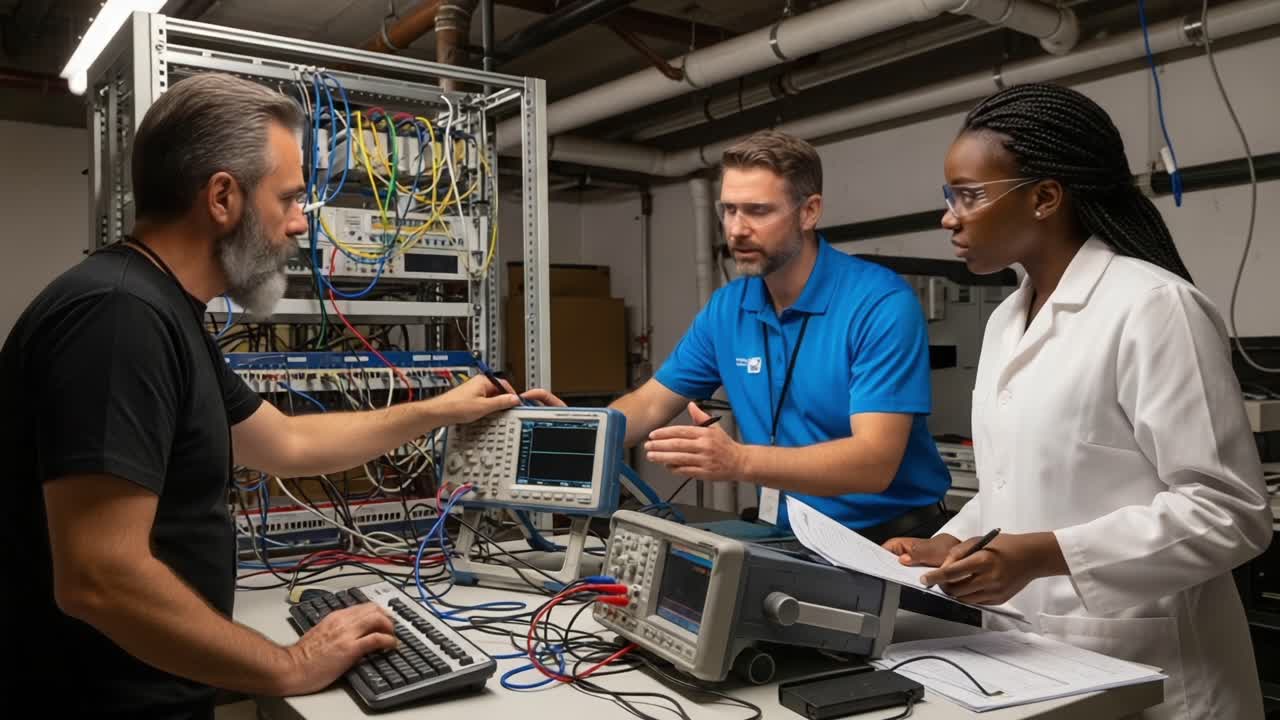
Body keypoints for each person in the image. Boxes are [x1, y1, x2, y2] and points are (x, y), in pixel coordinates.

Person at [0, 72, 552, 719]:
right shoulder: (119, 318)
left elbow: (285, 442)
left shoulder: (163, 311)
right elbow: (99, 576)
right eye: (288, 198)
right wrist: (288, 664)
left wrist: (443, 409)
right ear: (223, 198)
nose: (297, 224)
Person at [883, 83, 1271, 719]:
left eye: (969, 195)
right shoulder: (1007, 319)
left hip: (1159, 669)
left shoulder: (1152, 307)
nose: (949, 217)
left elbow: (1230, 512)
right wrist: (954, 541)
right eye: (947, 196)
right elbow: (1022, 484)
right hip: (1033, 664)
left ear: (1044, 197)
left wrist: (1044, 554)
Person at [617, 130, 952, 539]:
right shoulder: (729, 307)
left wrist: (739, 461)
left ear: (809, 212)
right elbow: (649, 405)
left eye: (758, 211)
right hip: (790, 535)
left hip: (889, 541)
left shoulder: (879, 304)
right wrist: (563, 431)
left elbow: (874, 462)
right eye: (729, 210)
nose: (737, 230)